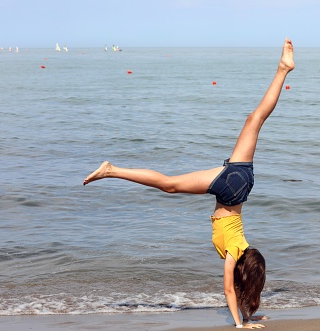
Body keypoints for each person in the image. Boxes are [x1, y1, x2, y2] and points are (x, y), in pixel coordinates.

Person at [83, 38, 295, 329]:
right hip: (229, 189)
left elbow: (235, 288)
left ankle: (282, 70)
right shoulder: (233, 252)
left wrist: (248, 316)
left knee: (255, 119)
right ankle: (111, 170)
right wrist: (240, 325)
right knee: (169, 184)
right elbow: (228, 290)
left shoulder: (240, 248)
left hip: (242, 187)